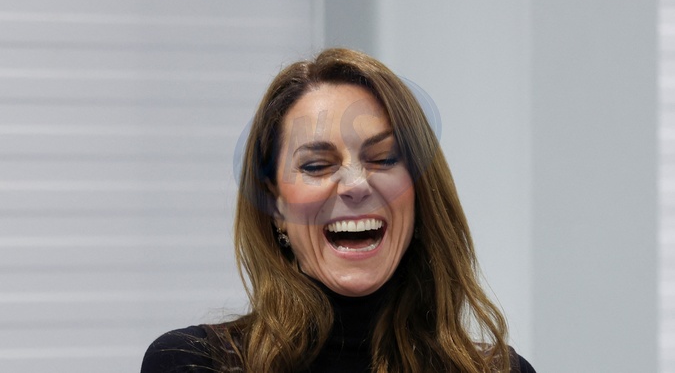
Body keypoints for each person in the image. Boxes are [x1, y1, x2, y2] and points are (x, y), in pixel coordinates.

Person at [141, 48, 536, 372]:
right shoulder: (193, 363)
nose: (356, 185)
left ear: (419, 196)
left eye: (384, 159)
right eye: (316, 166)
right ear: (275, 207)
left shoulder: (500, 370)